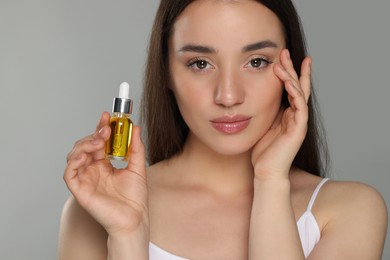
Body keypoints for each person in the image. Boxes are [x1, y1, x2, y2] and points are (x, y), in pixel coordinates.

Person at [58, 0, 388, 259]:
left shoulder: (350, 210)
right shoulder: (94, 213)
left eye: (257, 61)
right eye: (200, 64)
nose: (228, 95)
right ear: (167, 74)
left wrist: (270, 182)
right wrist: (128, 237)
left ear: (291, 67)